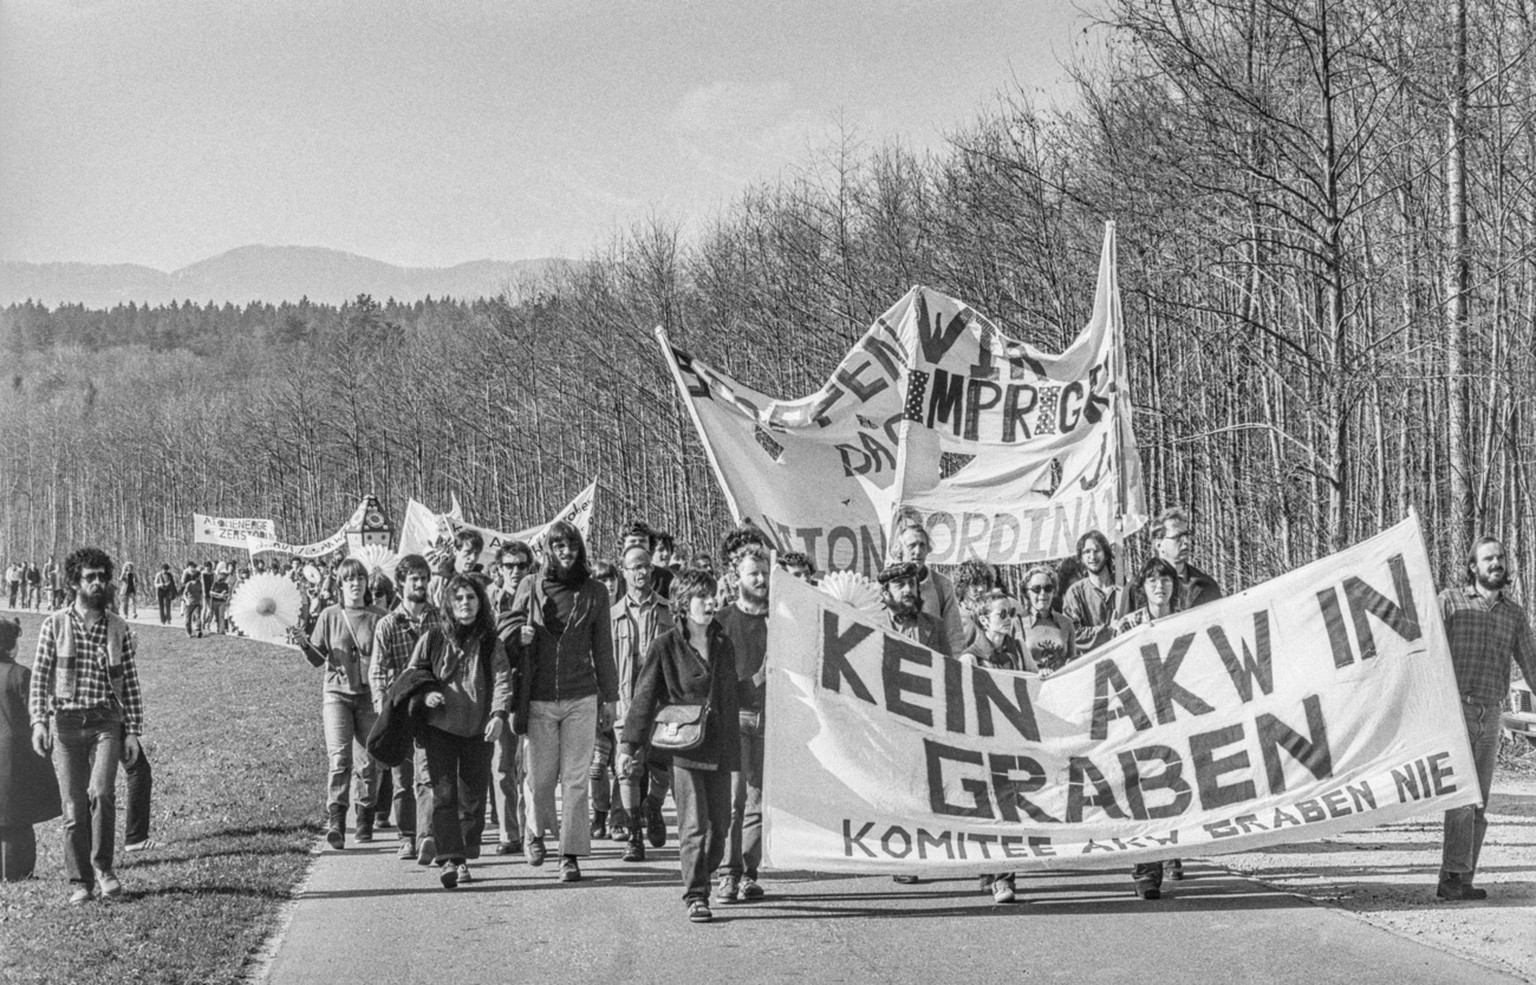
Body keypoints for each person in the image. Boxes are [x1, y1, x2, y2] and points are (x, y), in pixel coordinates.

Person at [618, 568, 742, 924]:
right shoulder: (665, 646)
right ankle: (696, 894)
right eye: (702, 596)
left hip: (720, 747)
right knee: (694, 826)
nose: (710, 602)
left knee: (720, 827)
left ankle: (704, 869)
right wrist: (629, 747)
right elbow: (643, 700)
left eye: (712, 594)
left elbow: (732, 698)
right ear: (684, 604)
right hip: (683, 748)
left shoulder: (723, 643)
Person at [28, 547, 146, 904]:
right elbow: (40, 677)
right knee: (73, 808)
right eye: (89, 577)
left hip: (106, 722)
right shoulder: (55, 624)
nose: (97, 583)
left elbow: (130, 680)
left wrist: (133, 731)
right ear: (74, 582)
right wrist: (38, 721)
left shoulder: (117, 626)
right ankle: (80, 882)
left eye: (101, 577)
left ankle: (104, 868)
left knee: (102, 793)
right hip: (65, 725)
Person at [503, 520, 618, 882]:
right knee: (540, 778)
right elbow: (504, 631)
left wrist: (610, 697)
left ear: (580, 548)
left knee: (575, 779)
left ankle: (569, 854)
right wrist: (518, 637)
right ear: (548, 550)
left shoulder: (595, 591)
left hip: (581, 696)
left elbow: (603, 647)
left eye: (571, 545)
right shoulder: (530, 585)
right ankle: (534, 832)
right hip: (537, 698)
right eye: (558, 546)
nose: (566, 552)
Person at [1436, 537, 1536, 901]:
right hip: (1456, 710)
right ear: (1473, 567)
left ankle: (1461, 879)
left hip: (1491, 713)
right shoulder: (1451, 602)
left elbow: (1531, 663)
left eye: (1500, 558)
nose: (1496, 563)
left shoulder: (1514, 614)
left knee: (1478, 801)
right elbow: (1428, 652)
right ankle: (1451, 878)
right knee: (1461, 798)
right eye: (1488, 558)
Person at [407, 574, 514, 889]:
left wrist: (497, 715)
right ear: (449, 605)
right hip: (440, 727)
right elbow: (414, 675)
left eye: (471, 597)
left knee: (472, 799)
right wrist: (426, 696)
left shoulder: (491, 641)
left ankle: (465, 847)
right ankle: (452, 860)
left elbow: (502, 679)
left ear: (480, 603)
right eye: (459, 599)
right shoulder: (433, 638)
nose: (465, 604)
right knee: (444, 796)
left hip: (478, 729)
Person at [295, 558, 386, 849]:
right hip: (336, 695)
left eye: (360, 578)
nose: (356, 584)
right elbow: (316, 659)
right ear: (340, 585)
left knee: (370, 762)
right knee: (339, 759)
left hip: (369, 697)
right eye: (349, 580)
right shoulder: (329, 615)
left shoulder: (380, 616)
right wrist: (303, 642)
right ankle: (336, 820)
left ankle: (364, 816)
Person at [1113, 555, 1182, 899]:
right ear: (1142, 588)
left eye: (1166, 579)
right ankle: (1145, 872)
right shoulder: (1126, 626)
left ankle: (1173, 852)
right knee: (1144, 794)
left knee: (1174, 790)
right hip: (1139, 720)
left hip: (1178, 716)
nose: (1160, 585)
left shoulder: (1189, 621)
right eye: (1153, 580)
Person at [961, 591, 1030, 902]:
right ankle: (995, 875)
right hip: (983, 744)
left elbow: (1034, 680)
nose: (1008, 619)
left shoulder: (1017, 651)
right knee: (989, 811)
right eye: (1001, 614)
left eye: (1011, 614)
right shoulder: (971, 657)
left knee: (1007, 810)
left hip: (1012, 742)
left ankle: (999, 875)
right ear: (984, 619)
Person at [610, 545, 676, 861]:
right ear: (623, 571)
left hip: (663, 703)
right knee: (627, 769)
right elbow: (605, 661)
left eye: (647, 566)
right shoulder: (612, 616)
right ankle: (634, 834)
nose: (642, 572)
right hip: (626, 702)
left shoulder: (668, 610)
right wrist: (606, 701)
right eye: (635, 566)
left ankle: (654, 803)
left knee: (663, 767)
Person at [370, 554, 433, 862]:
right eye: (414, 579)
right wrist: (383, 708)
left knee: (427, 776)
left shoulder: (438, 619)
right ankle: (405, 836)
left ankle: (426, 836)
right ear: (401, 584)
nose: (420, 584)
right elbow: (378, 670)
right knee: (401, 779)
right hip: (399, 710)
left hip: (432, 708)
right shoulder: (388, 625)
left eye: (423, 578)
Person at [717, 543, 770, 904]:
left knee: (759, 802)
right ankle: (727, 874)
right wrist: (756, 679)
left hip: (772, 719)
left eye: (765, 572)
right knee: (733, 801)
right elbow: (713, 679)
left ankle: (749, 874)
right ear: (737, 577)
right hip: (735, 719)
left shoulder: (781, 618)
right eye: (754, 573)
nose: (762, 579)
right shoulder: (721, 621)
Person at [2, 616, 63, 879]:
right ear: (11, 646)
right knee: (19, 818)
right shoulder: (20, 674)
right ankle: (17, 872)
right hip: (17, 754)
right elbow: (36, 711)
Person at [486, 541, 533, 857]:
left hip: (531, 688)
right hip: (499, 690)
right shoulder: (487, 601)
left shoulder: (537, 598)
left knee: (529, 767)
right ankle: (508, 832)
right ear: (498, 569)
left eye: (521, 565)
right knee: (502, 765)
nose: (515, 571)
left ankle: (531, 829)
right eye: (509, 566)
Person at [892, 520, 966, 655]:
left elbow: (954, 635)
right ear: (900, 550)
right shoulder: (886, 585)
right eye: (912, 546)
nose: (918, 551)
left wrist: (955, 668)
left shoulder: (942, 585)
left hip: (932, 664)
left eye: (922, 545)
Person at [1062, 530, 1119, 653]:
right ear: (1081, 558)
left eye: (1097, 550)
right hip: (1095, 663)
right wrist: (1107, 631)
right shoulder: (1075, 593)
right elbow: (1073, 633)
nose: (1092, 556)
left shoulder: (1123, 585)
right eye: (1087, 552)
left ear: (1106, 553)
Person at [876, 561, 951, 655]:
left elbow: (949, 666)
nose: (908, 589)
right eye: (900, 585)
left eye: (912, 584)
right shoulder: (874, 625)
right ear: (885, 593)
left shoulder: (936, 625)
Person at [1019, 565, 1077, 674]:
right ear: (1027, 592)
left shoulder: (1066, 623)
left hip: (1061, 685)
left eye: (1048, 588)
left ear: (1053, 591)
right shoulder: (1017, 623)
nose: (1042, 593)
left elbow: (1072, 661)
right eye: (1036, 589)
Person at [621, 520, 674, 599]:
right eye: (632, 541)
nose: (637, 544)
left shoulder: (665, 579)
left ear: (650, 546)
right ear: (623, 547)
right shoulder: (614, 579)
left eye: (642, 541)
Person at [952, 559, 997, 651]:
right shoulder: (953, 613)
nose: (981, 589)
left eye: (984, 583)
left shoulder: (994, 610)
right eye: (975, 584)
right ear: (963, 585)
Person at [180, 563, 204, 638]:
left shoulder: (200, 584)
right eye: (199, 576)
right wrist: (187, 601)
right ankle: (188, 632)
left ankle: (198, 631)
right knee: (188, 619)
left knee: (198, 617)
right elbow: (184, 594)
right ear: (196, 577)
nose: (200, 577)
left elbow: (201, 593)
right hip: (189, 603)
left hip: (197, 603)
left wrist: (201, 602)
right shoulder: (189, 584)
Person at [208, 570, 231, 635]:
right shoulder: (215, 583)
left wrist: (223, 595)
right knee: (216, 616)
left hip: (222, 602)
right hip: (215, 601)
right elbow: (211, 592)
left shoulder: (226, 585)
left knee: (221, 616)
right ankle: (213, 627)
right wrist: (218, 595)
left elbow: (227, 593)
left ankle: (222, 630)